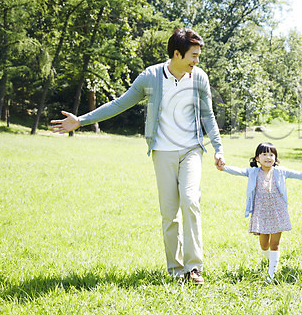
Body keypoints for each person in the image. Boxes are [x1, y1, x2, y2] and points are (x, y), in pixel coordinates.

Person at [50, 28, 224, 285]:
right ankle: (177, 271)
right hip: (162, 151)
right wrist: (82, 120)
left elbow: (208, 115)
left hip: (191, 149)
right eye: (193, 55)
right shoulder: (151, 76)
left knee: (190, 201)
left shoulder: (199, 77)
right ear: (177, 54)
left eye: (198, 56)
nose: (197, 61)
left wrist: (218, 148)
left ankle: (194, 267)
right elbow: (120, 103)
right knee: (169, 213)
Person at [218, 142, 302, 282]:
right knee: (264, 244)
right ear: (257, 158)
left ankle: (271, 274)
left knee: (274, 244)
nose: (268, 157)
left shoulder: (280, 172)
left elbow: (298, 174)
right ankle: (269, 261)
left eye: (271, 155)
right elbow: (238, 171)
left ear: (275, 158)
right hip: (261, 212)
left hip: (277, 211)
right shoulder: (253, 172)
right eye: (264, 154)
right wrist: (223, 168)